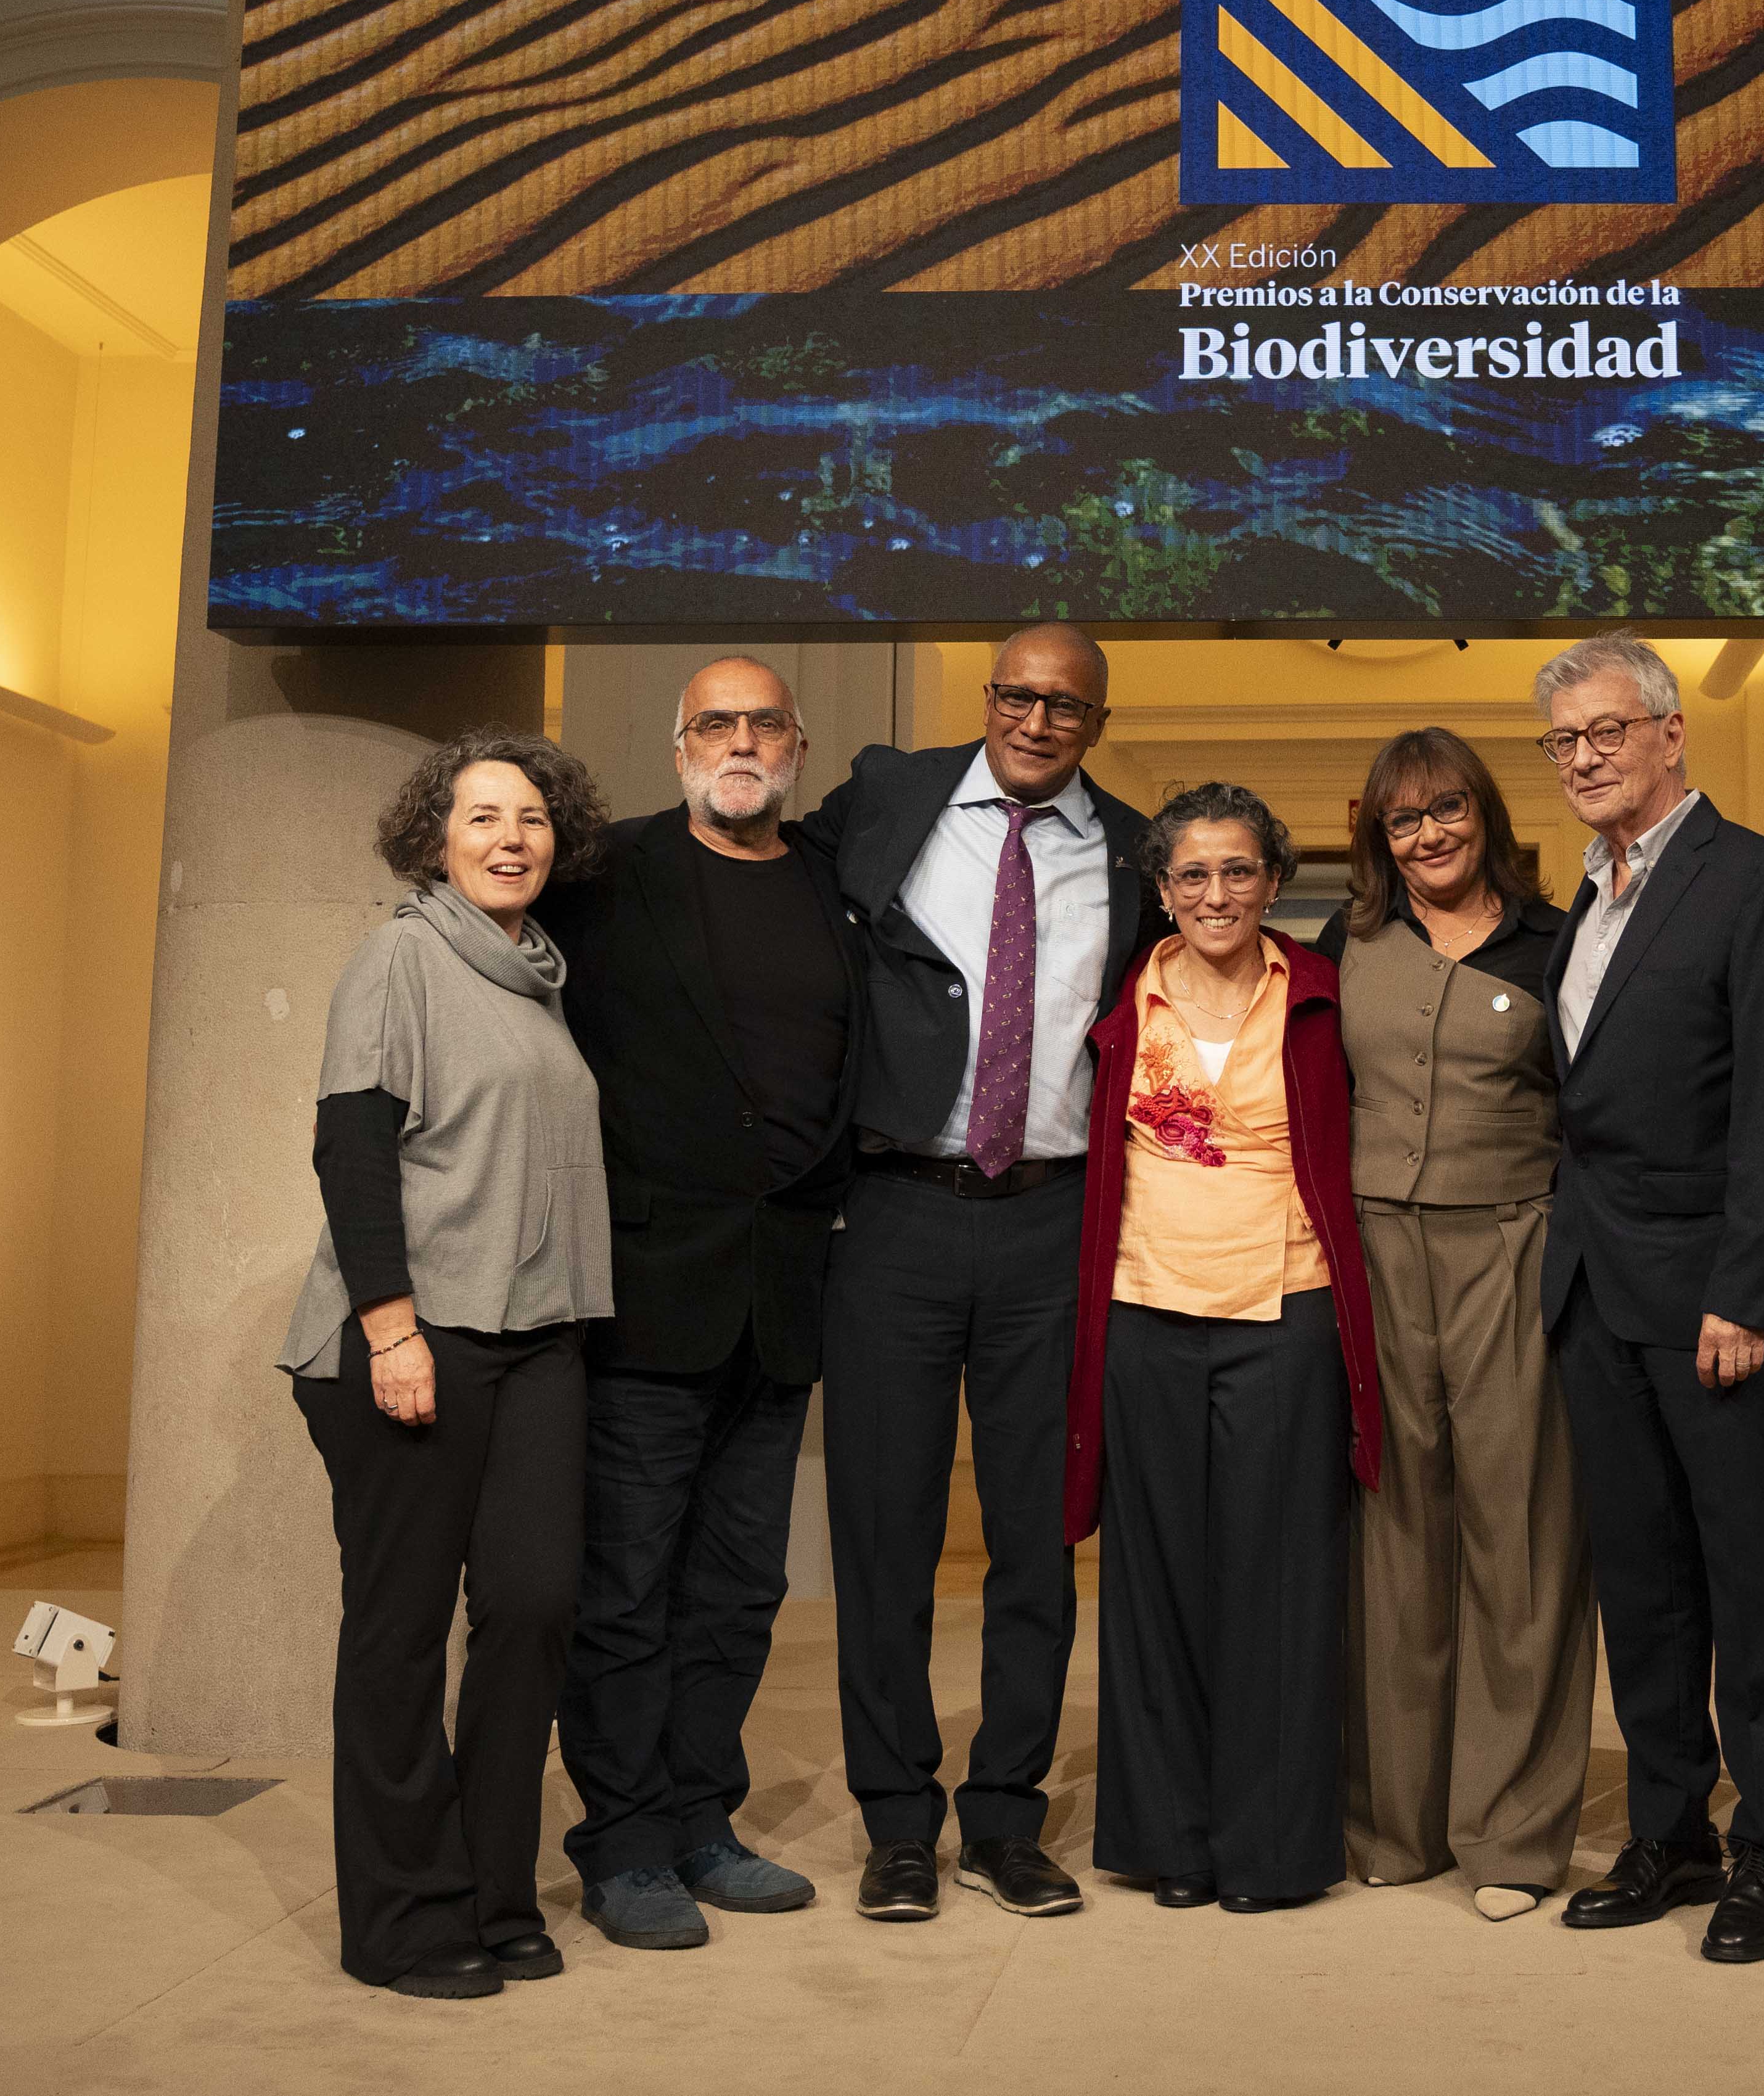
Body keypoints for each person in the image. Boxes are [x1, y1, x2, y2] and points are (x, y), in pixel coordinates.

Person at [796, 625, 1151, 1920]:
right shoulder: (885, 796)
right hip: (892, 1216)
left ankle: (1006, 1817)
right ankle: (898, 1822)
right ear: (987, 696)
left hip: (1050, 1228)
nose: (1037, 719)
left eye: (1066, 704)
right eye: (1018, 693)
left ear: (1096, 722)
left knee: (1035, 1538)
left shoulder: (1135, 850)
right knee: (881, 1536)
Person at [278, 731, 615, 1999]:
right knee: (400, 1635)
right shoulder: (399, 958)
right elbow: (353, 1152)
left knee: (531, 1610)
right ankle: (405, 1921)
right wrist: (389, 1329)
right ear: (434, 837)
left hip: (536, 1341)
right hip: (414, 1339)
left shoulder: (535, 977)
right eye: (481, 816)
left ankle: (494, 1888)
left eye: (530, 817)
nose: (509, 837)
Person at [534, 658, 864, 1951]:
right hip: (641, 1289)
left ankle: (697, 1819)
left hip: (782, 1294)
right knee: (625, 1586)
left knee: (736, 1586)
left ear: (796, 742)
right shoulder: (600, 874)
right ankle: (619, 1846)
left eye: (762, 722)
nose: (740, 741)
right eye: (714, 723)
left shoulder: (836, 886)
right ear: (678, 747)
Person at [1532, 631, 1764, 1965]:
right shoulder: (1582, 896)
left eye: (1606, 731)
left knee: (1753, 1583)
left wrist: (1743, 1289)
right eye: (1562, 742)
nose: (1584, 758)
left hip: (1719, 1300)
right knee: (1642, 1584)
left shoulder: (1753, 881)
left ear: (1671, 734)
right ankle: (1669, 1828)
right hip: (1596, 1289)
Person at [1066, 784, 1384, 1912]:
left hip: (1286, 1311)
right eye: (1192, 873)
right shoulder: (1122, 1001)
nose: (1216, 892)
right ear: (1161, 888)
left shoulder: (1319, 993)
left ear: (1271, 881)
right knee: (1156, 1587)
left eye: (1239, 870)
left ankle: (1272, 1849)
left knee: (1282, 1588)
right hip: (1145, 1309)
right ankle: (1172, 1840)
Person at [1315, 729, 1594, 1923]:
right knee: (1392, 1541)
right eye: (1400, 819)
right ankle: (1394, 1821)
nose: (1426, 834)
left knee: (1519, 1544)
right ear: (1377, 837)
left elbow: (1598, 1107)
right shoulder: (1347, 942)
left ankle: (1515, 1835)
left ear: (1484, 811)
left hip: (1510, 1251)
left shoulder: (1557, 940)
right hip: (1374, 1258)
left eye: (1445, 809)